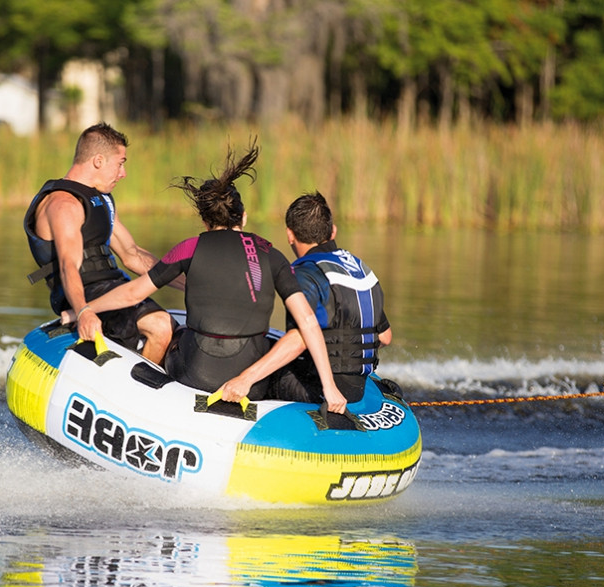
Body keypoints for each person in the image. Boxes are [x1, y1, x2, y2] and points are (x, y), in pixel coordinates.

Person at [63, 144, 347, 413]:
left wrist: (81, 310)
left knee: (172, 330)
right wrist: (330, 387)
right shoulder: (271, 254)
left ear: (205, 222)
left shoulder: (190, 247)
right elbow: (308, 322)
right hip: (254, 385)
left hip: (195, 373)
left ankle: (141, 404)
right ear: (244, 218)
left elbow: (133, 294)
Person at [215, 191, 391, 408]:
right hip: (357, 388)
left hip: (321, 389)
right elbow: (385, 336)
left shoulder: (305, 273)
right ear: (332, 232)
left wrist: (245, 379)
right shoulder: (359, 268)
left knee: (250, 359)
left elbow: (299, 340)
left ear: (290, 234)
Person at [24, 122, 174, 364]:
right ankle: (129, 398)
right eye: (121, 163)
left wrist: (190, 283)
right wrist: (83, 312)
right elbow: (67, 266)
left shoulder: (100, 200)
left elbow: (132, 254)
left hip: (115, 286)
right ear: (98, 161)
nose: (123, 173)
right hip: (83, 294)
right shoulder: (64, 205)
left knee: (178, 332)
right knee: (160, 326)